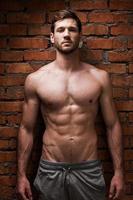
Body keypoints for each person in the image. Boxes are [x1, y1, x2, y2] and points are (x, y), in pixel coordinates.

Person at [17, 10, 124, 200]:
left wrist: (119, 172)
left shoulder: (99, 78)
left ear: (80, 37)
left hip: (88, 170)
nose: (66, 34)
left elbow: (112, 125)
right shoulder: (36, 80)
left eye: (72, 30)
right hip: (50, 170)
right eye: (61, 30)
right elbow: (27, 129)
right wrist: (21, 175)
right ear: (52, 37)